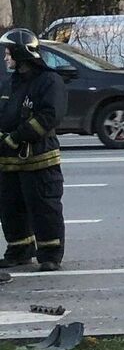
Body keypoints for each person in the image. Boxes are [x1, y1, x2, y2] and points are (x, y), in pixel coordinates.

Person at [0, 29, 68, 274]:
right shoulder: (11, 82)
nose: (6, 58)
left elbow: (49, 116)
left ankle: (50, 255)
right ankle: (19, 251)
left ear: (21, 53)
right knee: (10, 208)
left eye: (9, 53)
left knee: (44, 208)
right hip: (8, 162)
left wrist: (17, 137)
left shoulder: (49, 81)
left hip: (39, 159)